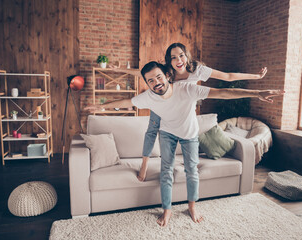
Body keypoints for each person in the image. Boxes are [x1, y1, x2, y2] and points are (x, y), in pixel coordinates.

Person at [85, 61, 284, 227]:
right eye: (150, 80)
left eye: (159, 77)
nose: (156, 83)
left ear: (167, 75)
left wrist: (256, 93)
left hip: (189, 136)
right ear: (146, 83)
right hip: (168, 135)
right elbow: (127, 101)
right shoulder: (148, 97)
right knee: (166, 172)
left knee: (192, 171)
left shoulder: (187, 88)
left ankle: (191, 206)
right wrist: (100, 107)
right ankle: (167, 210)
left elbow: (222, 92)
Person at [108, 42, 268, 182]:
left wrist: (256, 76)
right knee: (151, 131)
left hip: (183, 101)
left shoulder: (198, 70)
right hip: (162, 99)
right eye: (173, 58)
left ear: (187, 56)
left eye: (181, 56)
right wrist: (120, 70)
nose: (178, 61)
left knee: (185, 130)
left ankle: (187, 159)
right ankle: (144, 165)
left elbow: (228, 76)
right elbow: (143, 73)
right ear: (168, 60)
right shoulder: (167, 70)